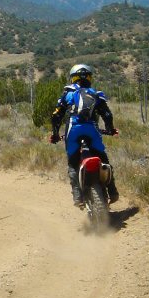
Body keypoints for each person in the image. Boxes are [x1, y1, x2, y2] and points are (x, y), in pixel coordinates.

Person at [48, 63, 119, 208]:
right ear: (89, 78)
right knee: (103, 157)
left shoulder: (68, 94)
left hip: (73, 130)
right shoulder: (96, 94)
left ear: (73, 78)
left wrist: (55, 134)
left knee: (73, 162)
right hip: (92, 130)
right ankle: (112, 191)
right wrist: (110, 129)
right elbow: (107, 114)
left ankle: (77, 196)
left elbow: (56, 116)